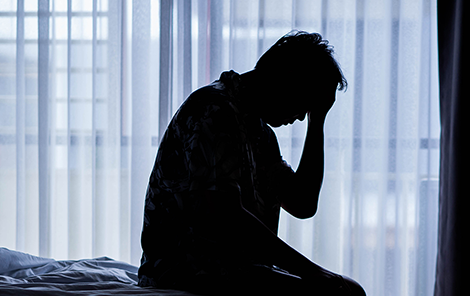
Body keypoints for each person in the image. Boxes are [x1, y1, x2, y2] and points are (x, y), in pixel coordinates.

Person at [138, 31, 365, 295]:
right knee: (345, 293)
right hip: (186, 271)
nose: (302, 116)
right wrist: (311, 271)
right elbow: (223, 216)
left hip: (232, 270)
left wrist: (318, 121)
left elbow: (303, 203)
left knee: (348, 290)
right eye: (305, 103)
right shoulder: (214, 111)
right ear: (287, 81)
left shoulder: (258, 131)